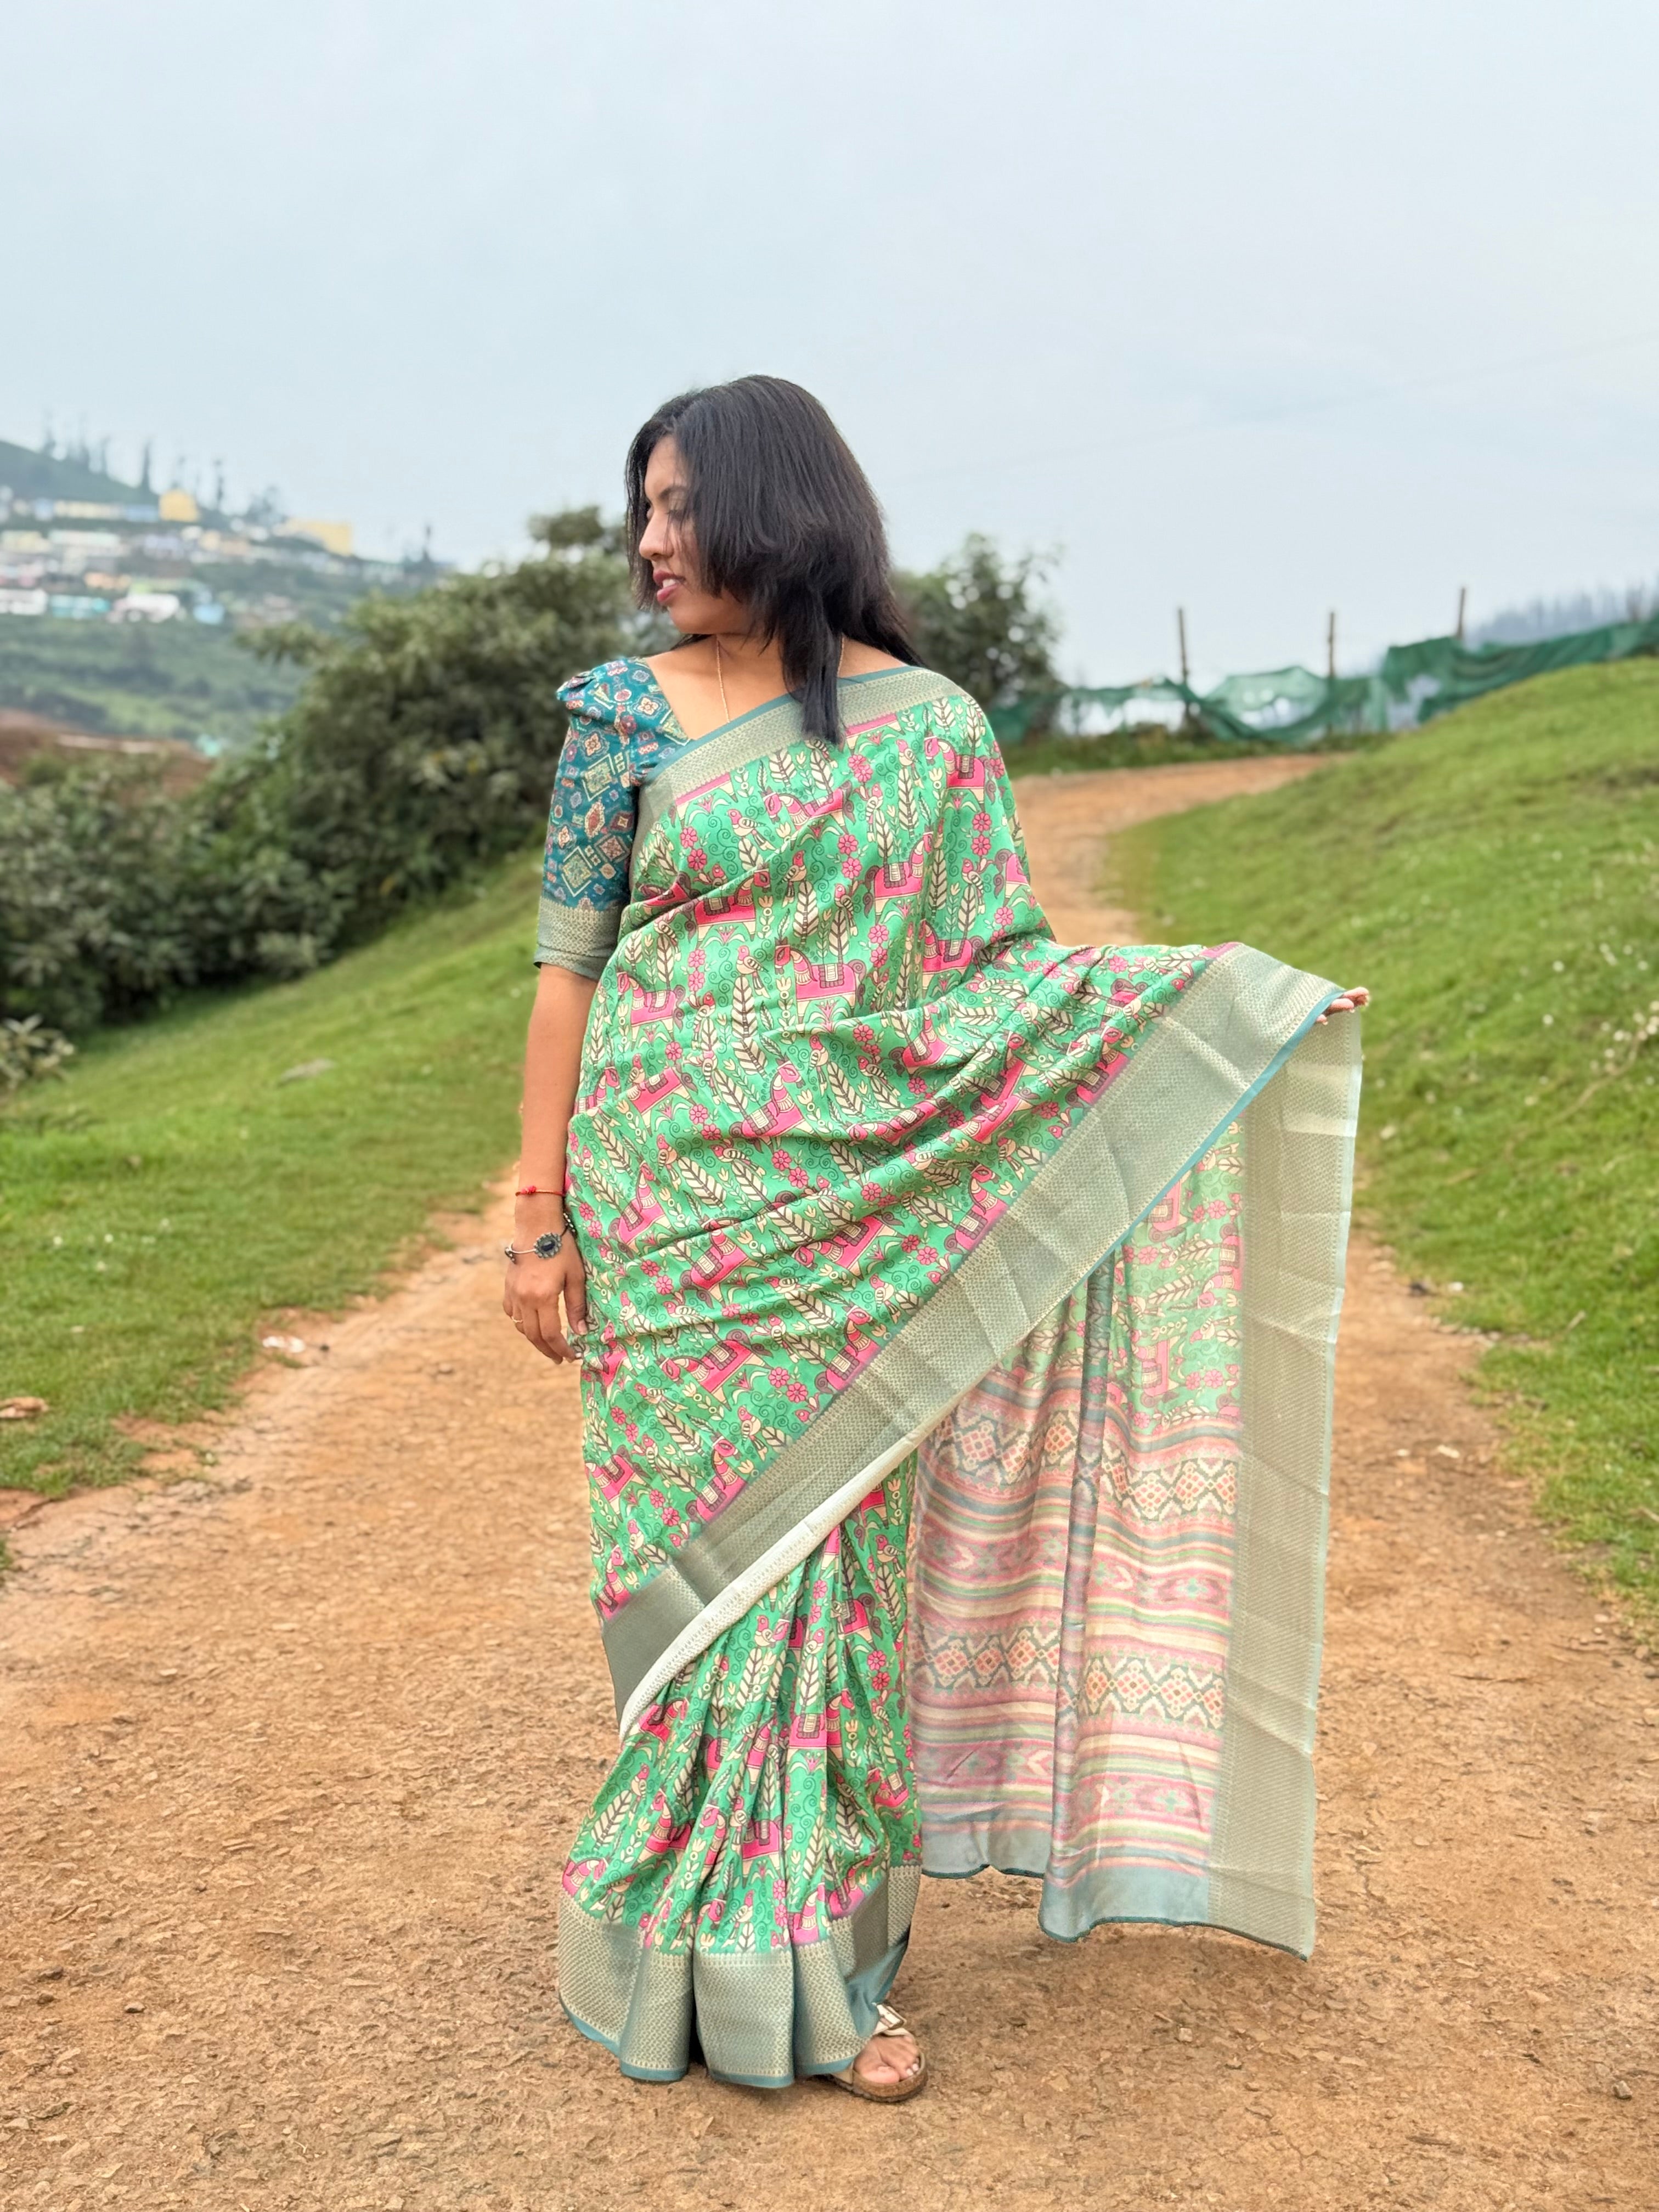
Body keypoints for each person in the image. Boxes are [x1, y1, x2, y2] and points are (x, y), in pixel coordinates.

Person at [504, 375, 1367, 2102]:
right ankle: (689, 1929)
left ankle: (808, 1965)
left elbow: (987, 975)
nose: (652, 543)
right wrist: (536, 1211)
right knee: (701, 1574)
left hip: (854, 1207)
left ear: (780, 511)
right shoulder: (620, 718)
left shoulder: (935, 728)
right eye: (643, 511)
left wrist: (1197, 1012)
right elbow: (568, 968)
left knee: (822, 1569)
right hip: (672, 1209)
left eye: (683, 508)